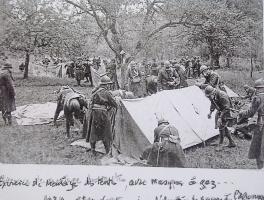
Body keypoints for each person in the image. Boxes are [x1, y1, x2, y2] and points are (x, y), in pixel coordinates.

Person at [87, 75, 118, 155]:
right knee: (106, 131)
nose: (109, 86)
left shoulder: (95, 92)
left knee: (93, 131)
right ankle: (107, 151)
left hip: (94, 113)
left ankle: (93, 149)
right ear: (106, 85)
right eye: (108, 84)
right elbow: (114, 104)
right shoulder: (107, 93)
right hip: (103, 113)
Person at [238, 79, 264, 169]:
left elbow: (250, 112)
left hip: (261, 124)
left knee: (259, 147)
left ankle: (260, 168)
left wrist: (242, 112)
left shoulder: (257, 98)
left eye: (256, 88)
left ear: (257, 88)